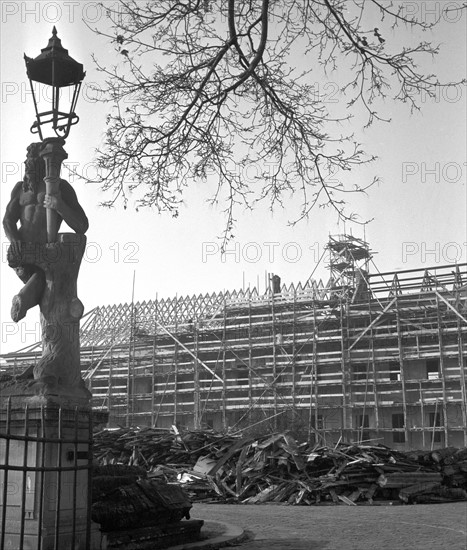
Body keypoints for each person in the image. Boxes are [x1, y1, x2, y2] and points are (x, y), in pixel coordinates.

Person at [2, 142, 88, 322]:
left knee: (47, 279)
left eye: (35, 163)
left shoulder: (60, 188)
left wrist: (59, 206)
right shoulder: (20, 189)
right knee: (43, 279)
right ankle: (24, 299)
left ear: (43, 165)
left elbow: (82, 226)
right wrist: (15, 241)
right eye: (28, 163)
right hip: (22, 253)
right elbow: (8, 220)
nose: (29, 167)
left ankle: (23, 300)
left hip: (46, 252)